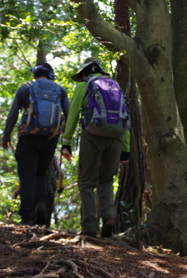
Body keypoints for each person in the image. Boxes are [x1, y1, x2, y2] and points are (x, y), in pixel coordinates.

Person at [61, 57, 125, 238]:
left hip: (93, 136)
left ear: (84, 72)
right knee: (106, 180)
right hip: (117, 138)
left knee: (87, 182)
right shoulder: (115, 86)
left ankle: (89, 227)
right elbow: (124, 117)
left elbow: (72, 115)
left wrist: (66, 142)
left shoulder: (84, 85)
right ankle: (109, 217)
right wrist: (125, 149)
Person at [2, 62, 69, 226]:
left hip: (28, 139)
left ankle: (27, 217)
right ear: (51, 75)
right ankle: (41, 204)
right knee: (41, 173)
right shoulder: (59, 90)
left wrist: (6, 136)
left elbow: (12, 115)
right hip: (49, 140)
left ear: (35, 75)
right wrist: (65, 141)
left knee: (27, 177)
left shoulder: (25, 88)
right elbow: (69, 115)